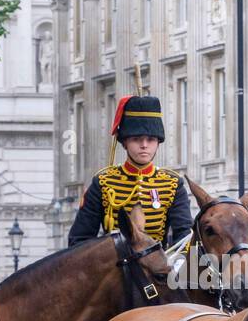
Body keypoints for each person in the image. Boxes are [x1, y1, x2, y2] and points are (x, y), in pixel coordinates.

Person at [67, 93, 192, 247]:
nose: (144, 145)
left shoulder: (172, 184)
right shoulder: (103, 182)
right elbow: (79, 239)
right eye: (136, 139)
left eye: (151, 139)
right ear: (125, 142)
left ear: (158, 143)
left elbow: (184, 236)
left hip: (157, 266)